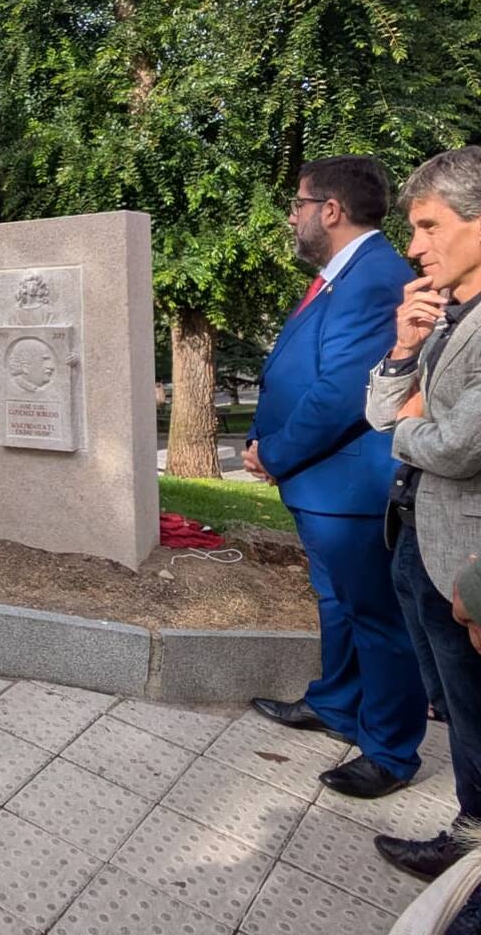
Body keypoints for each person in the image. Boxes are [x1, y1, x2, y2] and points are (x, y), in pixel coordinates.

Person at [245, 155, 426, 798]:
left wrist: (275, 452)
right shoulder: (340, 276)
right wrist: (261, 439)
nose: (292, 218)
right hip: (321, 482)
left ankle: (389, 750)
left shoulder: (375, 278)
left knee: (377, 616)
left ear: (330, 209)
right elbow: (294, 369)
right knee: (338, 604)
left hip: (346, 485)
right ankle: (336, 702)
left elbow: (344, 392)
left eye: (297, 205)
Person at [365, 146, 481, 881]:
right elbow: (379, 408)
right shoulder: (445, 315)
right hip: (416, 533)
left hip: (467, 559)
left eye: (431, 225)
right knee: (459, 711)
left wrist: (407, 425)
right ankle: (470, 834)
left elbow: (463, 447)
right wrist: (405, 348)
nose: (414, 246)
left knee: (476, 716)